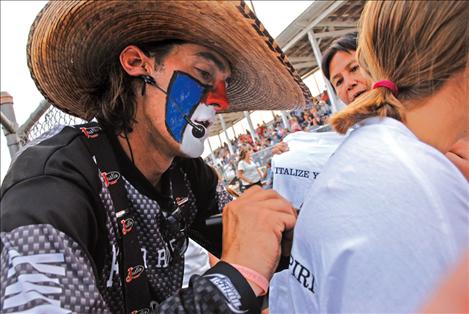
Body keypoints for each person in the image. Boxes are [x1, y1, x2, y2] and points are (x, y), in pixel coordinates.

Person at [0, 2, 309, 313]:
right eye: (203, 73)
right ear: (136, 62)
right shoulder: (50, 183)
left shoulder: (186, 175)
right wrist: (232, 282)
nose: (221, 100)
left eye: (223, 85)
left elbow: (268, 244)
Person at [270, 1, 469, 313]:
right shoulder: (419, 180)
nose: (349, 83)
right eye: (338, 81)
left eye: (353, 69)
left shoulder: (382, 151)